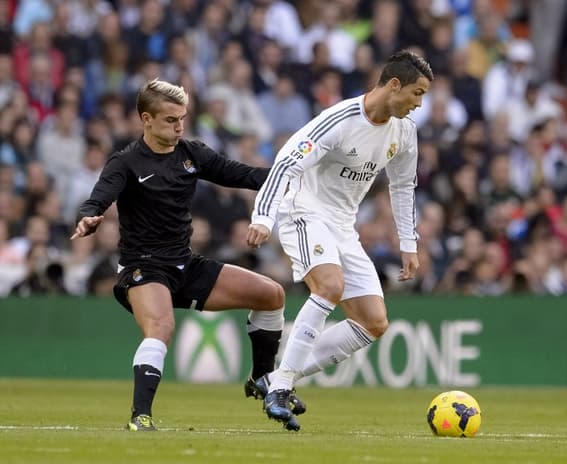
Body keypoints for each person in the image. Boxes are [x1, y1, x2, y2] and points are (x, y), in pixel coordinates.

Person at [71, 78, 297, 432]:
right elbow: (100, 196)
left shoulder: (191, 154)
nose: (179, 127)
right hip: (143, 267)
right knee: (161, 327)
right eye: (170, 120)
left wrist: (292, 178)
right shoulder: (126, 162)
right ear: (146, 119)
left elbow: (242, 175)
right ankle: (140, 416)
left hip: (185, 265)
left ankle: (261, 377)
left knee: (272, 295)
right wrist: (89, 215)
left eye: (182, 119)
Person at [246, 50, 433, 431]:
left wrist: (408, 243)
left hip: (343, 227)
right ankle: (280, 388)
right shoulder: (339, 119)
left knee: (374, 322)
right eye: (417, 93)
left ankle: (275, 379)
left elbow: (402, 186)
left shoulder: (404, 132)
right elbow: (285, 162)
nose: (418, 104)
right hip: (303, 211)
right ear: (394, 85)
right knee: (330, 286)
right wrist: (263, 216)